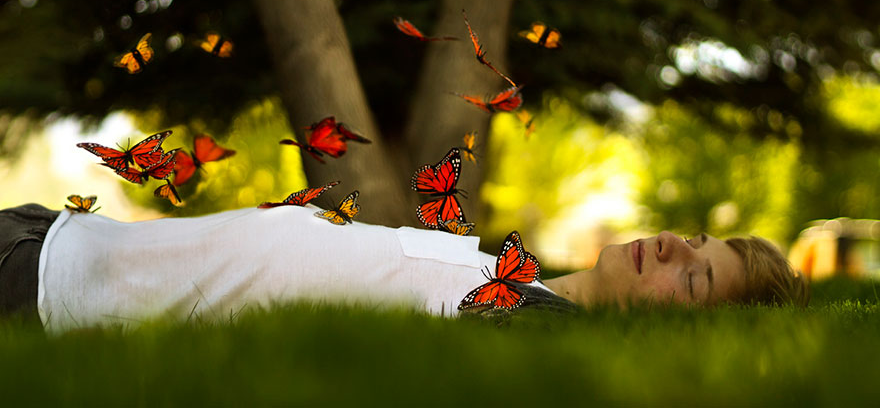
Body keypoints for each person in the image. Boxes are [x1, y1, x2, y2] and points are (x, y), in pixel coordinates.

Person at [0, 202, 807, 332]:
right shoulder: (512, 277)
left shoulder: (528, 326)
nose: (672, 244)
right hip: (65, 238)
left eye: (694, 277)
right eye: (697, 240)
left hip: (46, 290)